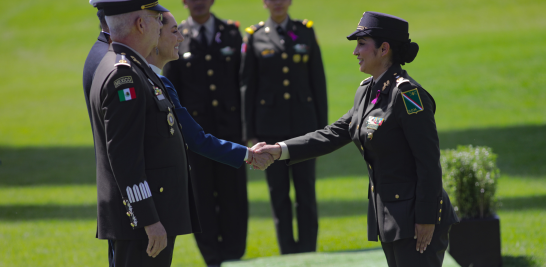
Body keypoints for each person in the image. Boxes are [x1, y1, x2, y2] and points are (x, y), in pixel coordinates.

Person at [256, 11, 459, 267]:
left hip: (416, 220)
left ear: (384, 49)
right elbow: (331, 134)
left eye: (362, 44)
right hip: (391, 218)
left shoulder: (407, 95)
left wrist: (427, 218)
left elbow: (429, 162)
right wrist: (279, 149)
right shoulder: (367, 91)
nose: (356, 51)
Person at [162, 1, 248, 265]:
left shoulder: (233, 33)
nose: (198, 3)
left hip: (230, 135)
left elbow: (244, 84)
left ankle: (234, 256)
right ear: (184, 3)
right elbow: (170, 89)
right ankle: (212, 258)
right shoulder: (177, 36)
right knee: (202, 199)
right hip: (195, 140)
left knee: (234, 197)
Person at [239, 0, 328, 255]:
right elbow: (248, 87)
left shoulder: (305, 31)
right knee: (279, 195)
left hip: (304, 128)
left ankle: (308, 252)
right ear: (264, 3)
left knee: (306, 193)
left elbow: (317, 82)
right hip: (269, 131)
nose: (278, 3)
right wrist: (250, 134)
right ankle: (288, 253)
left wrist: (322, 131)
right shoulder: (255, 36)